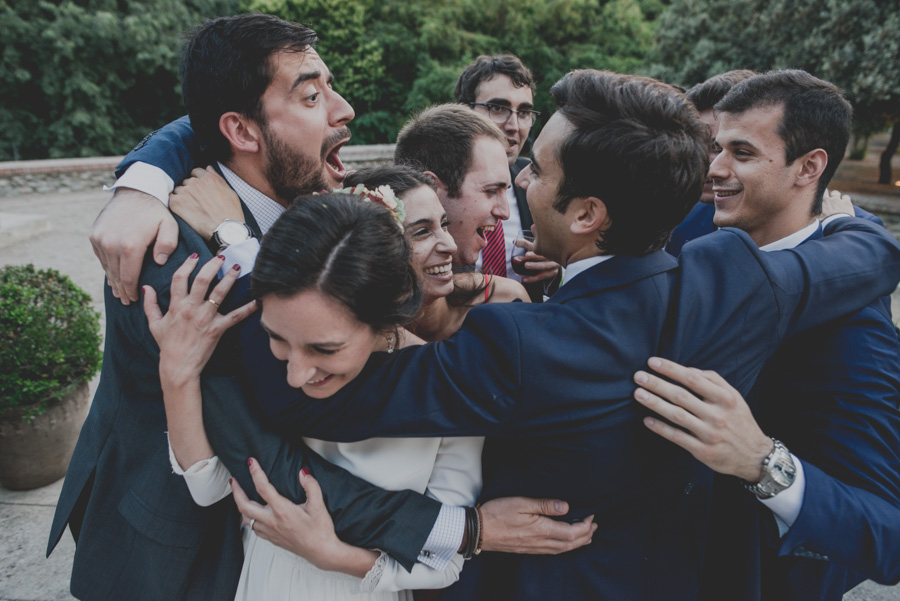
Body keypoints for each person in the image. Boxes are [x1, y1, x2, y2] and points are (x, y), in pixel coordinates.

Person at [179, 70, 900, 600]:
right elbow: (866, 257)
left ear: (586, 213)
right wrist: (853, 221)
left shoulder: (519, 345)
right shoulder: (735, 275)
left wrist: (243, 258)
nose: (522, 178)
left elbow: (310, 398)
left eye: (538, 169)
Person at [49, 15, 590, 601]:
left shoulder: (319, 199)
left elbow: (209, 116)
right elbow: (268, 461)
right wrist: (471, 530)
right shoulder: (172, 259)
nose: (344, 109)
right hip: (177, 539)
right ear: (244, 131)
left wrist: (148, 172)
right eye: (312, 95)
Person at [632, 70, 900, 600]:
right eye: (716, 148)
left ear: (810, 167)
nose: (715, 169)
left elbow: (886, 537)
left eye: (742, 153)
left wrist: (761, 462)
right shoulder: (697, 227)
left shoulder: (855, 330)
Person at [145, 188, 485, 600]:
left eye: (325, 349)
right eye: (276, 339)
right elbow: (209, 487)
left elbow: (445, 562)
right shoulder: (264, 368)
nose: (294, 375)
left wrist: (331, 555)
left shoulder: (448, 393)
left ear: (386, 315)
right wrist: (177, 374)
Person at [454, 54, 560, 300]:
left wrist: (553, 268)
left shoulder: (538, 180)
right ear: (463, 111)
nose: (514, 125)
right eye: (497, 108)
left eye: (524, 112)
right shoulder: (431, 189)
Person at [666, 69, 756, 255]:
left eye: (737, 151)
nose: (708, 168)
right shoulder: (680, 223)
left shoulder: (823, 240)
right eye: (697, 146)